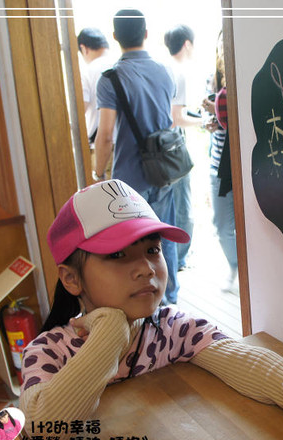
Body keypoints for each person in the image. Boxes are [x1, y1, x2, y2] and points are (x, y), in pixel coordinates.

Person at [19, 179, 283, 440]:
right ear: (71, 278)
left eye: (152, 250)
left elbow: (246, 361)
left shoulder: (171, 329)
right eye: (117, 255)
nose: (146, 268)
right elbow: (42, 433)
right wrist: (110, 333)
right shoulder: (49, 351)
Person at [94, 9, 181, 305]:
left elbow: (106, 134)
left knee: (135, 248)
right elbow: (168, 120)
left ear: (115, 36)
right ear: (145, 33)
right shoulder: (164, 71)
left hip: (130, 179)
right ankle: (171, 300)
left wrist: (98, 173)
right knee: (164, 238)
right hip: (164, 171)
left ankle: (149, 306)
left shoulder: (111, 79)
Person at [163, 24, 203, 271]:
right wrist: (204, 121)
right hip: (174, 147)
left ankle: (174, 258)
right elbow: (176, 118)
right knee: (183, 205)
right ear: (187, 44)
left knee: (172, 204)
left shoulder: (163, 68)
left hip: (159, 149)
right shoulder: (179, 72)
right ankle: (180, 258)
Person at [202, 31, 238, 292]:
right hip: (218, 164)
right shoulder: (213, 81)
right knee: (222, 225)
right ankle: (236, 266)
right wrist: (210, 119)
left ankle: (245, 269)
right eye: (220, 46)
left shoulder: (242, 75)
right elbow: (208, 120)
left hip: (243, 163)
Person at [77, 27, 115, 180]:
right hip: (129, 149)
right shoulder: (122, 64)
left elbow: (80, 110)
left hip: (102, 148)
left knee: (106, 193)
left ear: (84, 48)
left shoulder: (88, 72)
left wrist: (98, 173)